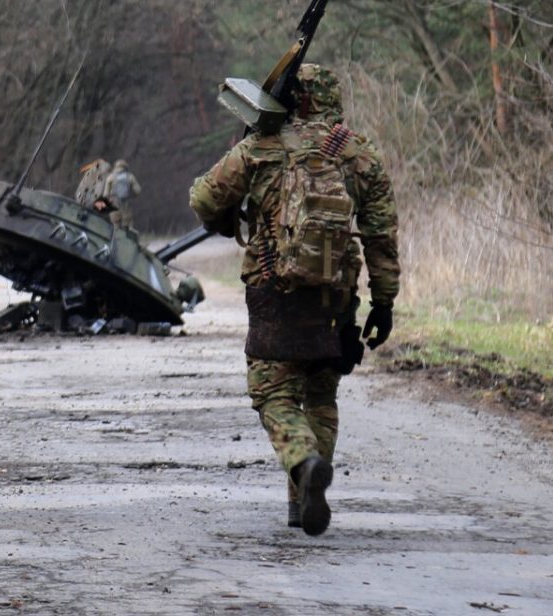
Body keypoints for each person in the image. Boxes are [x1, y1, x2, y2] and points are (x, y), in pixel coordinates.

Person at [189, 63, 400, 536]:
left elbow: (204, 199)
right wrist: (384, 301)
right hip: (335, 297)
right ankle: (303, 495)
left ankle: (303, 462)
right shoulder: (359, 152)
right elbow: (381, 234)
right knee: (321, 393)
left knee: (273, 392)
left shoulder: (261, 146)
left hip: (274, 292)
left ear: (292, 99)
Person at [102, 159, 142, 228]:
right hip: (125, 202)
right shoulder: (130, 176)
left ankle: (116, 233)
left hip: (113, 203)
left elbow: (105, 194)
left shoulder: (110, 177)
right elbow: (138, 190)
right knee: (127, 224)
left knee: (115, 224)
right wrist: (132, 196)